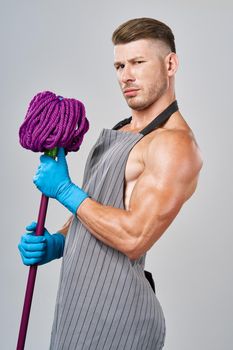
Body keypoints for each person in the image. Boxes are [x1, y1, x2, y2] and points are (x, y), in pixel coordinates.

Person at [18, 17, 203, 350]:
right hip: (76, 312)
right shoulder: (121, 130)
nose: (125, 76)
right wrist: (59, 241)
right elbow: (98, 210)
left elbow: (134, 236)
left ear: (170, 64)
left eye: (137, 63)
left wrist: (64, 190)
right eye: (119, 65)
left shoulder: (175, 146)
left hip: (118, 322)